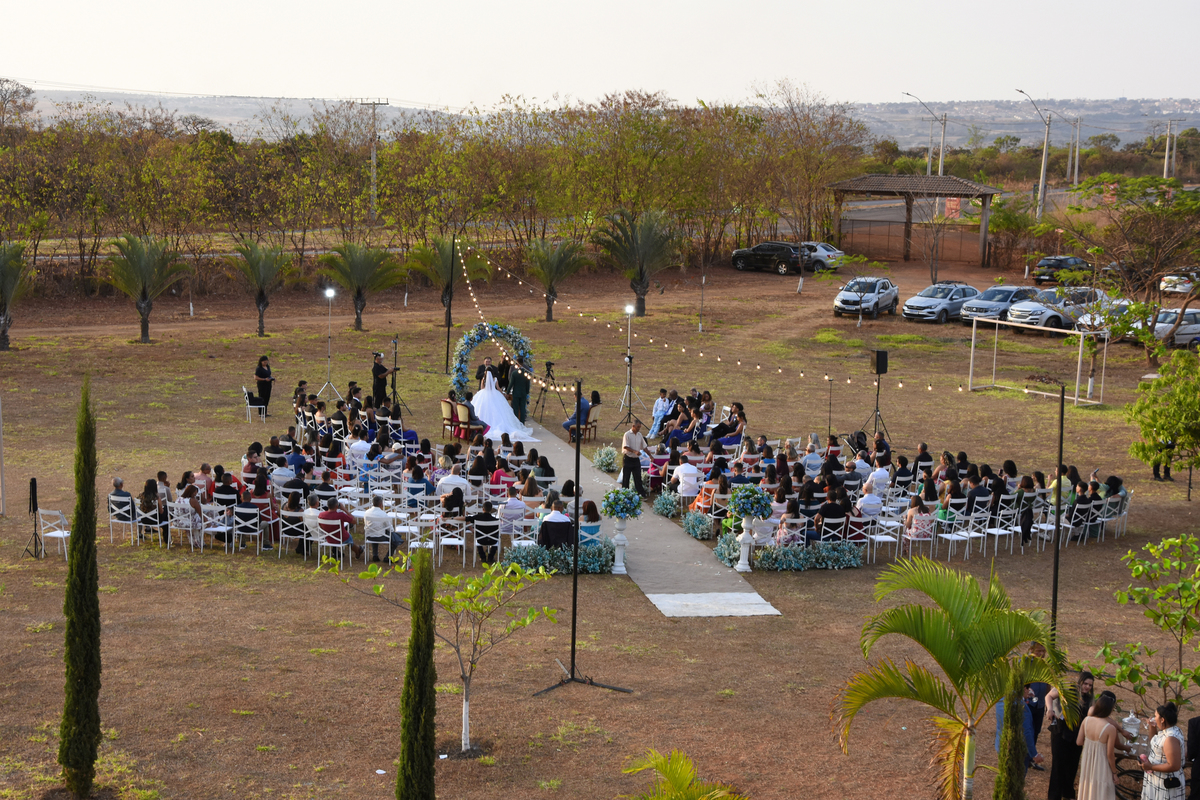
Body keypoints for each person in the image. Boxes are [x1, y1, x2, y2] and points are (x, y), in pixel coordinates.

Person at [1047, 671, 1095, 800]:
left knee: (1072, 765)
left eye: (1090, 685)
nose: (1087, 687)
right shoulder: (1069, 689)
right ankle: (1054, 796)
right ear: (1080, 682)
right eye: (1085, 684)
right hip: (1060, 732)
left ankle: (1067, 793)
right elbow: (1049, 696)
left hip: (1076, 735)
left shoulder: (1089, 699)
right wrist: (1050, 709)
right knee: (1058, 764)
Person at [1069, 692, 1118, 800]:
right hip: (1102, 764)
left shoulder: (1086, 720)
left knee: (1088, 788)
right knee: (1102, 791)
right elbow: (1110, 754)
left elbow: (1079, 742)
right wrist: (1114, 772)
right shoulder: (1110, 728)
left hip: (1088, 762)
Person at [471, 373, 538, 442]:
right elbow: (498, 388)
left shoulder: (483, 379)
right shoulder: (495, 379)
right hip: (495, 395)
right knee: (498, 410)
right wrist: (503, 393)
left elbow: (482, 388)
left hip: (484, 394)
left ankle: (485, 425)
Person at [994, 683, 1044, 774]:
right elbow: (1026, 732)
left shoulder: (1001, 699)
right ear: (1025, 689)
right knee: (1016, 778)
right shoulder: (1022, 708)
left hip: (1001, 745)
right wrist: (1034, 754)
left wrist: (1024, 697)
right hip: (1017, 751)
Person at [1140, 702, 1185, 800]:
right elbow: (1154, 742)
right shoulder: (1168, 730)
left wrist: (1150, 766)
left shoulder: (1170, 738)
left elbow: (1174, 765)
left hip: (1166, 784)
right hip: (1157, 780)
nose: (1153, 718)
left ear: (1162, 719)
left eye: (1155, 716)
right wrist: (1152, 726)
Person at [620, 420, 651, 497]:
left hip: (636, 460)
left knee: (638, 478)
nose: (639, 429)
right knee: (626, 478)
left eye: (640, 427)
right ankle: (625, 494)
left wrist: (650, 455)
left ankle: (641, 494)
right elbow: (625, 446)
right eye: (638, 427)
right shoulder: (627, 434)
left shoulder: (639, 435)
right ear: (633, 426)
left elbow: (644, 447)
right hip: (628, 458)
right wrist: (634, 451)